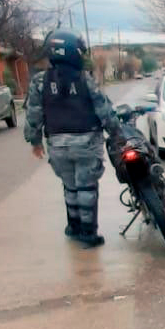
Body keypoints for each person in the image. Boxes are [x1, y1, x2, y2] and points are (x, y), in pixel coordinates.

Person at [25, 30, 119, 249]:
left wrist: (35, 141)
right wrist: (116, 132)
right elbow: (103, 109)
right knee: (86, 187)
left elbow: (34, 114)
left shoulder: (40, 81)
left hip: (57, 143)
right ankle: (88, 232)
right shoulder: (85, 79)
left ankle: (73, 226)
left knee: (70, 186)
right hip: (86, 141)